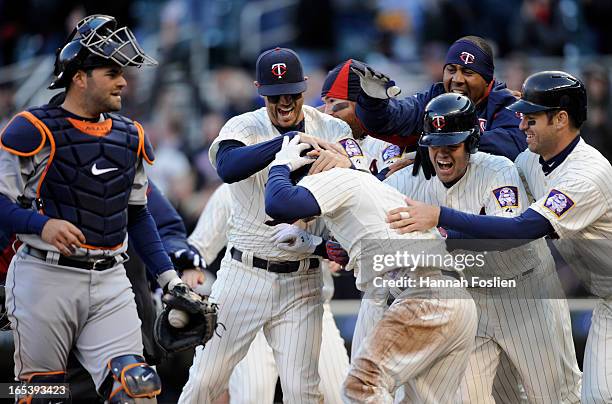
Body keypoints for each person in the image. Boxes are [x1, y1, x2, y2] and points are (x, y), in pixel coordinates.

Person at [387, 71, 612, 404]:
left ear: (561, 119)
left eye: (531, 118)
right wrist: (422, 156)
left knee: (583, 396)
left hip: (529, 294)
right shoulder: (528, 159)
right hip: (494, 296)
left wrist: (439, 219)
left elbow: (520, 229)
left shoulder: (587, 174)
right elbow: (479, 157)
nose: (521, 126)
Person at [0, 15, 192, 403]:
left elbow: (139, 215)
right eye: (111, 71)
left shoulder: (130, 135)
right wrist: (42, 224)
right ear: (80, 76)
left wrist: (171, 279)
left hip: (110, 278)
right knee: (41, 394)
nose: (123, 81)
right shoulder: (31, 128)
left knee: (138, 387)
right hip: (44, 275)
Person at [178, 47, 354, 403]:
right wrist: (287, 143)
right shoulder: (244, 125)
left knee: (304, 392)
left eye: (292, 93)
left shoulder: (332, 128)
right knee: (205, 382)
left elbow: (360, 179)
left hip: (303, 279)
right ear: (261, 91)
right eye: (275, 96)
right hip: (245, 276)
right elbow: (227, 167)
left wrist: (346, 164)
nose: (285, 102)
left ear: (305, 88)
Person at [263, 135, 477, 403]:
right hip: (452, 299)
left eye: (296, 178)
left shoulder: (334, 176)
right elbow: (355, 250)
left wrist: (280, 166)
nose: (297, 186)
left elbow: (278, 203)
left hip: (422, 294)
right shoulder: (364, 187)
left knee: (361, 387)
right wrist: (313, 244)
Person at [186, 183, 349, 403]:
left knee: (337, 393)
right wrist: (188, 270)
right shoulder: (236, 183)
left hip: (309, 301)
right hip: (248, 303)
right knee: (252, 394)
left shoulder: (320, 178)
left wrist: (335, 251)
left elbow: (346, 239)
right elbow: (197, 247)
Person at [353, 35, 526, 173]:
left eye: (468, 72)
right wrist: (371, 100)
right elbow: (394, 118)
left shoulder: (506, 103)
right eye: (451, 70)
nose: (457, 79)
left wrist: (440, 145)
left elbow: (515, 147)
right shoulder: (436, 97)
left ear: (488, 79)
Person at [321, 59, 415, 179]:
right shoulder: (330, 136)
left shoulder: (392, 137)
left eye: (332, 101)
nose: (327, 112)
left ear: (359, 102)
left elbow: (393, 183)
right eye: (325, 103)